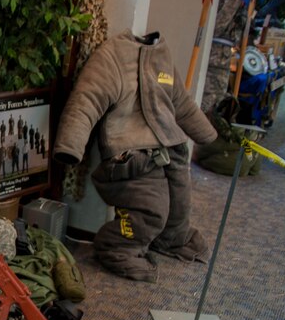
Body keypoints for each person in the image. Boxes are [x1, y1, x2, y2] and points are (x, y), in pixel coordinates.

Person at [53, 30, 218, 282]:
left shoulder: (161, 56)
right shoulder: (112, 57)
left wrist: (209, 135)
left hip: (169, 146)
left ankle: (170, 237)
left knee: (179, 202)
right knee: (150, 209)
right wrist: (70, 146)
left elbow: (182, 104)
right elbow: (86, 101)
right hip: (130, 154)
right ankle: (116, 246)